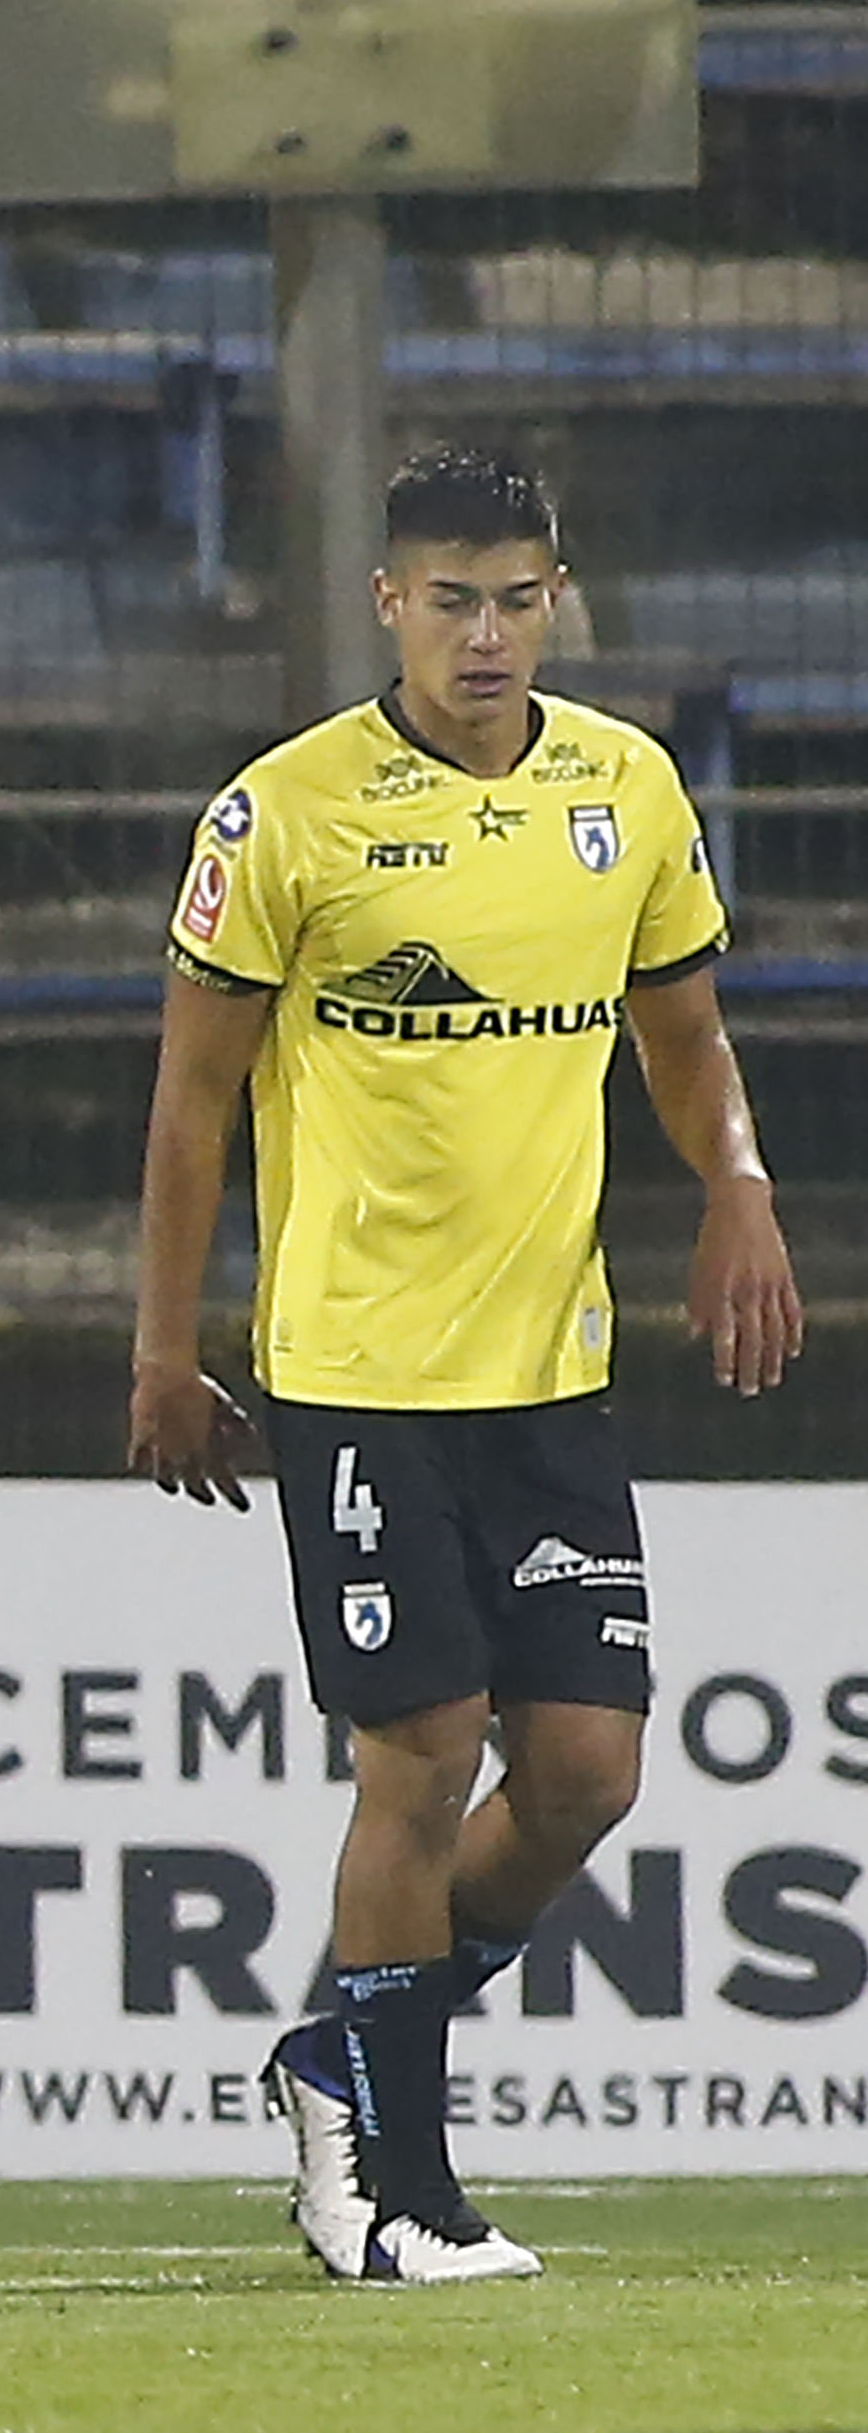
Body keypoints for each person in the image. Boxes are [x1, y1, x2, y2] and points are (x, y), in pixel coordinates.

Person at [132, 443, 801, 2286]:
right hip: (357, 1374)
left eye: (516, 598)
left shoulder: (628, 793)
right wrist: (164, 1339)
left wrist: (735, 1186)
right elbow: (193, 1104)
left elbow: (683, 1036)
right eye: (450, 601)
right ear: (386, 607)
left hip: (546, 1375)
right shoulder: (285, 820)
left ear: (555, 596)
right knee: (419, 1762)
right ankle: (392, 2181)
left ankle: (341, 2047)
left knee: (587, 1773)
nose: (486, 635)